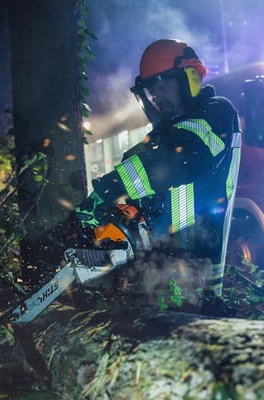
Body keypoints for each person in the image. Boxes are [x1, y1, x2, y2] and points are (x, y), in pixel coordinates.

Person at [73, 38, 242, 307]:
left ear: (190, 79)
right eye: (152, 91)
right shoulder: (164, 134)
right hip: (155, 282)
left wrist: (108, 190)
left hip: (196, 289)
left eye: (163, 86)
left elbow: (178, 158)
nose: (158, 97)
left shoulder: (217, 113)